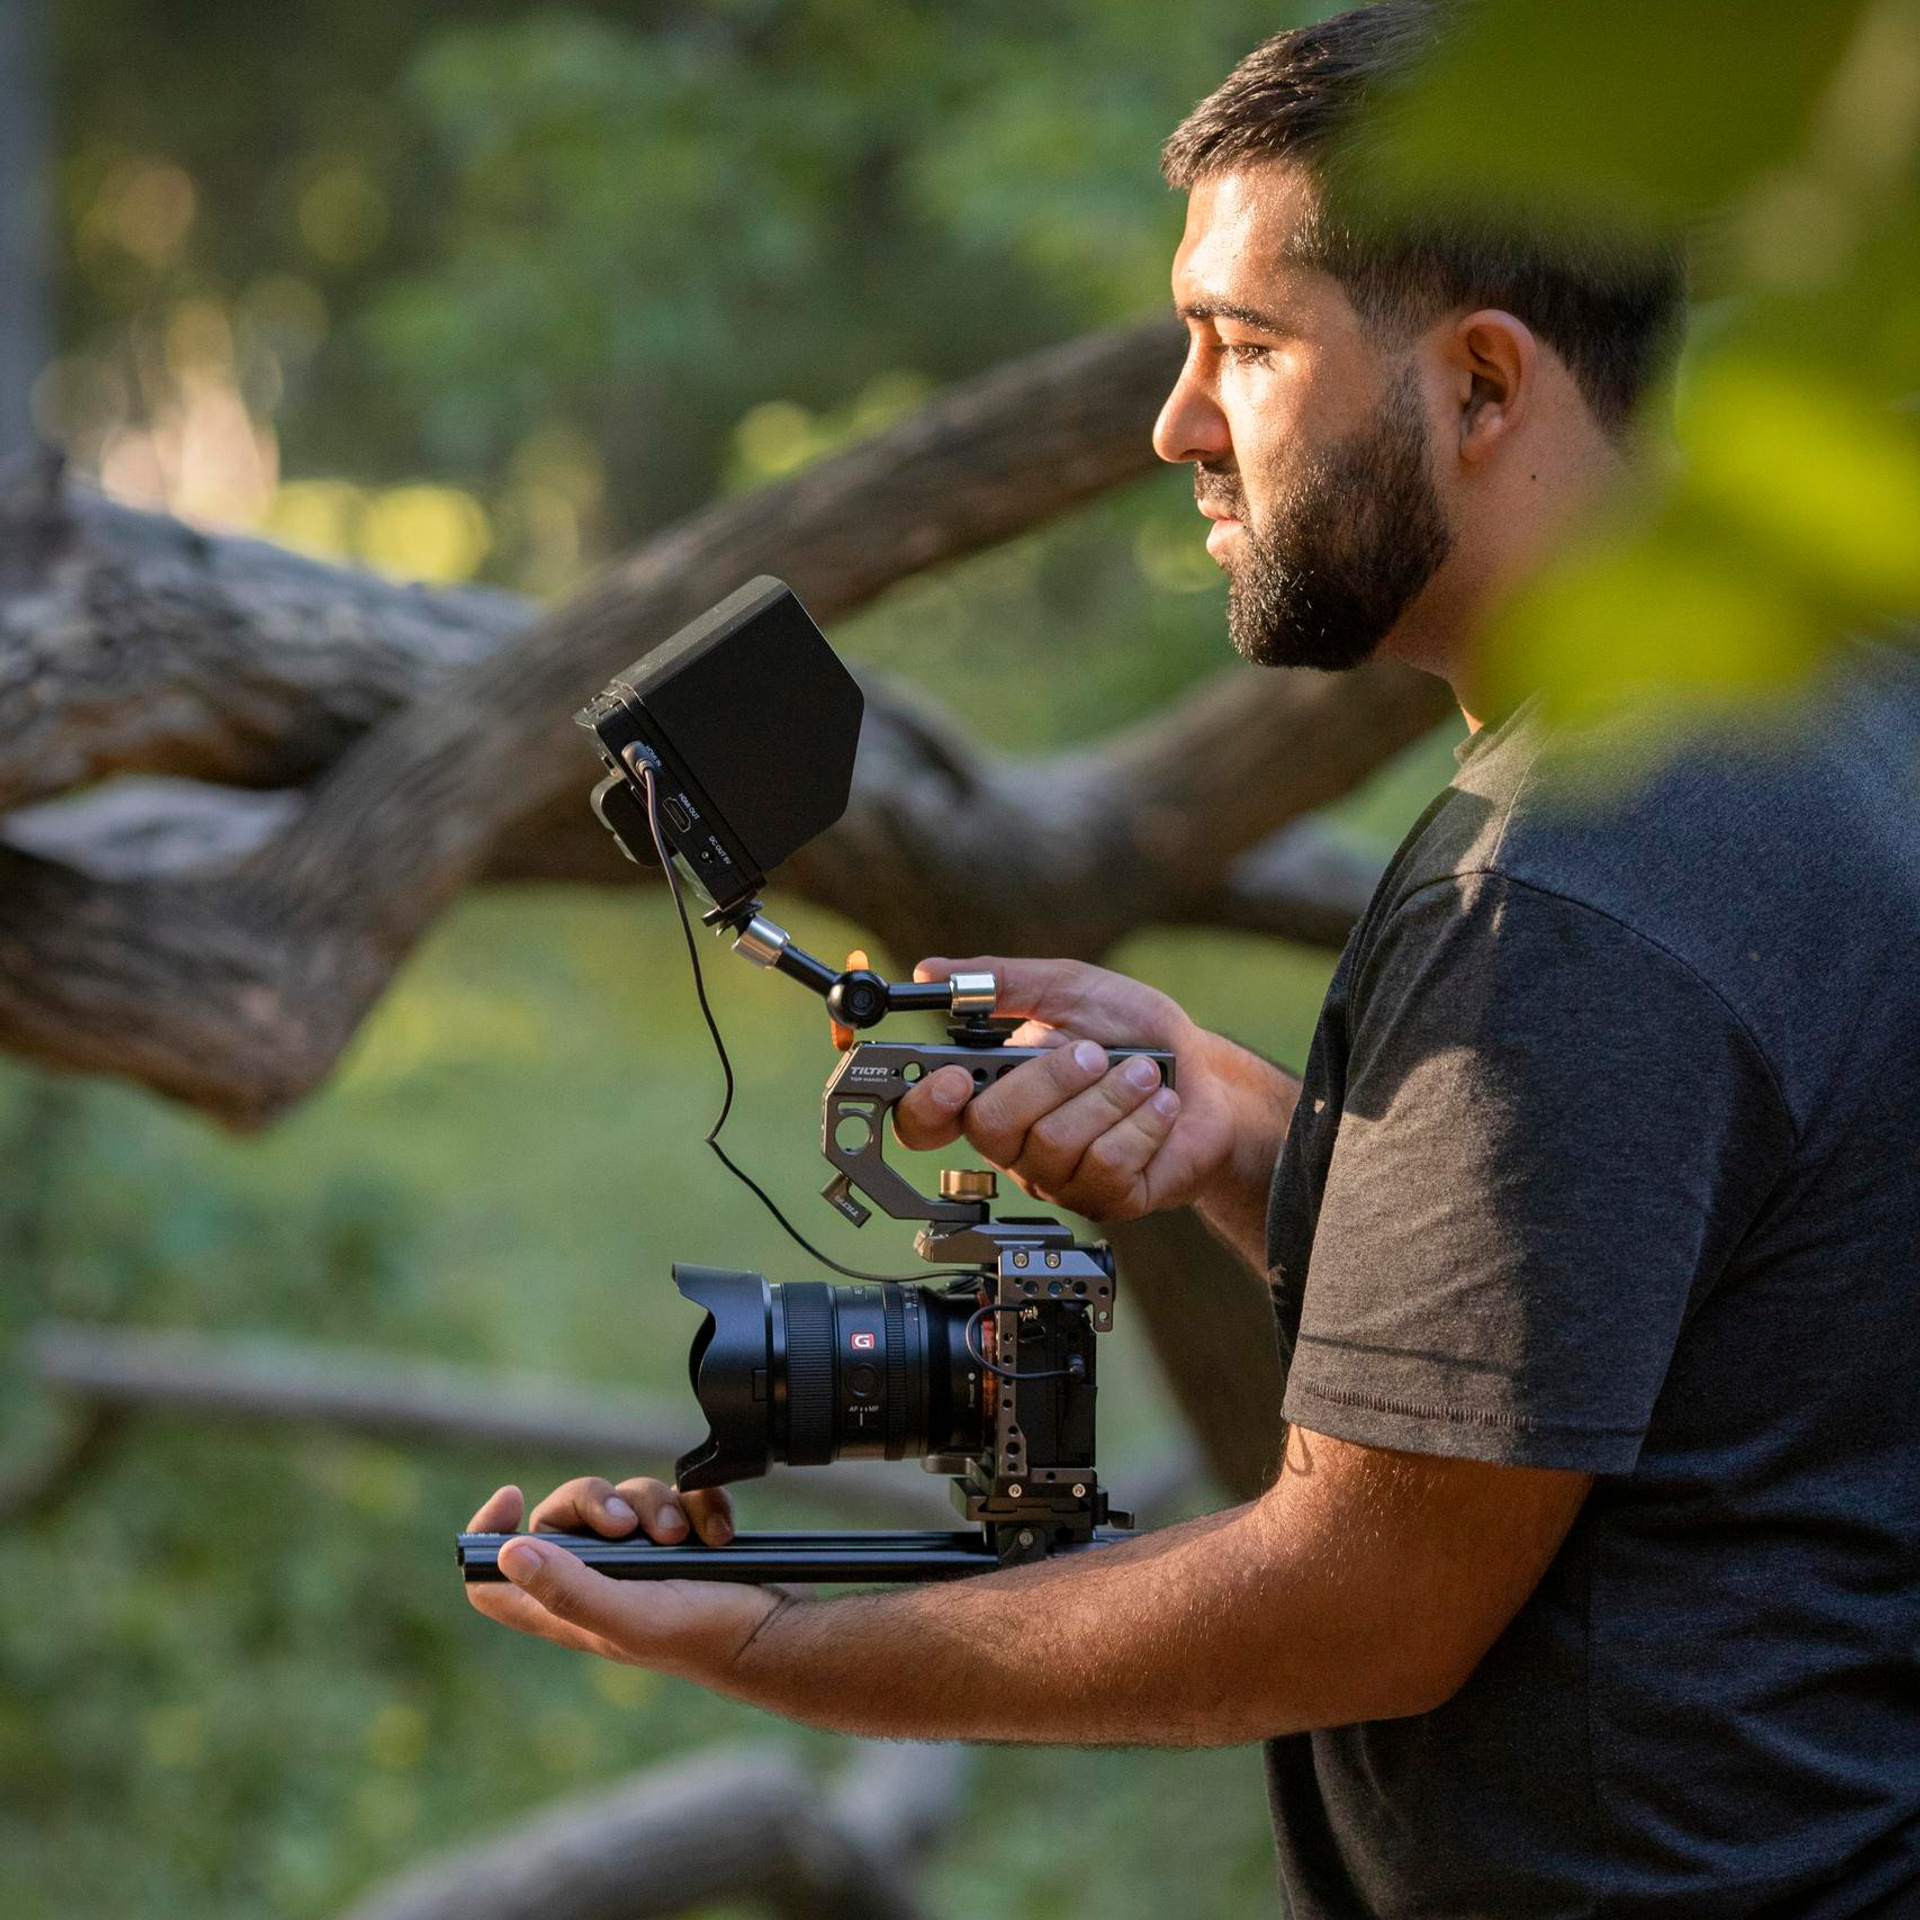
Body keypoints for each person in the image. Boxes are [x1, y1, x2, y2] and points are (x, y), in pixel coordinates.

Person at [465, 5, 1920, 1913]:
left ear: (1484, 386)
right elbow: (1679, 1320)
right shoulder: (1823, 696)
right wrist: (1249, 1133)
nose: (1177, 421)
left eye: (1245, 344)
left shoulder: (1573, 888)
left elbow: (1362, 1602)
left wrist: (766, 1645)